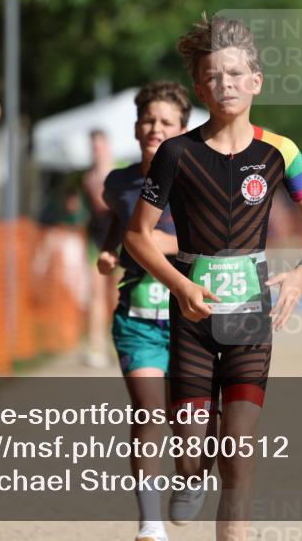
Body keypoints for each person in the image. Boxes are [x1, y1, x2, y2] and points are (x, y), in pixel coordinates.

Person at [125, 13, 302, 541]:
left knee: (238, 449)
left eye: (237, 74)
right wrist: (183, 287)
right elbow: (137, 236)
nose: (227, 85)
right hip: (192, 314)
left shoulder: (281, 151)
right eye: (214, 76)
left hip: (249, 318)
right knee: (194, 451)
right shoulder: (176, 153)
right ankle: (190, 475)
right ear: (200, 87)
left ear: (256, 81)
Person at [97, 81, 191, 541]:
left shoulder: (198, 178)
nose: (155, 128)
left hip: (193, 318)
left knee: (192, 423)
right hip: (137, 319)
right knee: (149, 413)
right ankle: (150, 523)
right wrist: (110, 249)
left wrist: (158, 244)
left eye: (165, 122)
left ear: (182, 129)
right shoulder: (118, 181)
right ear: (136, 126)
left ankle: (191, 479)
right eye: (148, 120)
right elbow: (120, 214)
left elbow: (222, 241)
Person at [82, 128, 117, 367]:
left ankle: (117, 342)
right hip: (96, 239)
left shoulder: (120, 171)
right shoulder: (88, 177)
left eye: (100, 145)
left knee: (117, 294)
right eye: (93, 146)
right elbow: (96, 203)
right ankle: (96, 345)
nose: (97, 150)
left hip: (120, 240)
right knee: (95, 294)